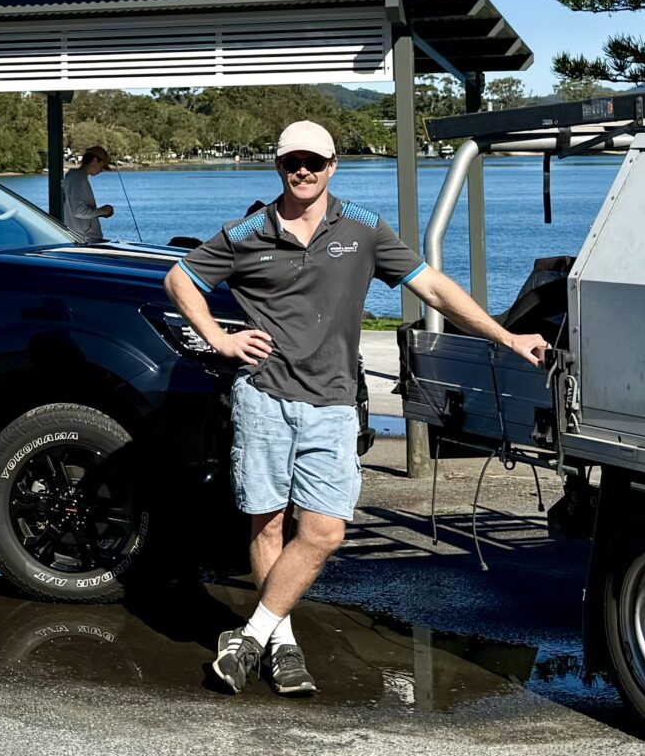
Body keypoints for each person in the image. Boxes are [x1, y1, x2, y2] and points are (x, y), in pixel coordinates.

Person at [162, 120, 549, 698]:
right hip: (264, 397)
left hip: (333, 404)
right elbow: (180, 278)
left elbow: (433, 287)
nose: (304, 171)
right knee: (268, 523)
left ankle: (249, 636)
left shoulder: (364, 227)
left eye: (314, 162)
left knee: (323, 533)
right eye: (293, 161)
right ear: (278, 166)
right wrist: (220, 338)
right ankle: (282, 644)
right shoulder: (247, 231)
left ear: (332, 166)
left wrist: (506, 337)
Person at [62, 146, 116, 244]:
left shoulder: (76, 177)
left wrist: (100, 213)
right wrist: (102, 211)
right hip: (85, 240)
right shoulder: (77, 179)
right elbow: (79, 211)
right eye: (101, 166)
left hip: (82, 238)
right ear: (94, 160)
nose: (101, 171)